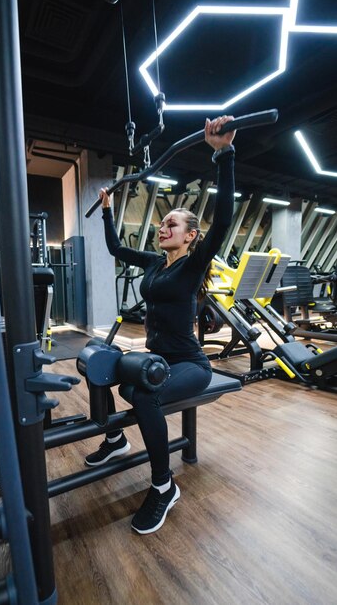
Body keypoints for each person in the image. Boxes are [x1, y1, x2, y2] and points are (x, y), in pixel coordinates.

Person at [85, 115, 236, 534]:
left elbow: (223, 219)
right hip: (158, 358)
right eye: (162, 224)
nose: (162, 227)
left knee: (143, 393)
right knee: (99, 361)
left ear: (190, 236)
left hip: (189, 363)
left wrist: (223, 154)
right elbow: (116, 247)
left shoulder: (192, 266)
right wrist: (108, 211)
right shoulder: (154, 263)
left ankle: (163, 486)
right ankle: (116, 440)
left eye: (172, 224)